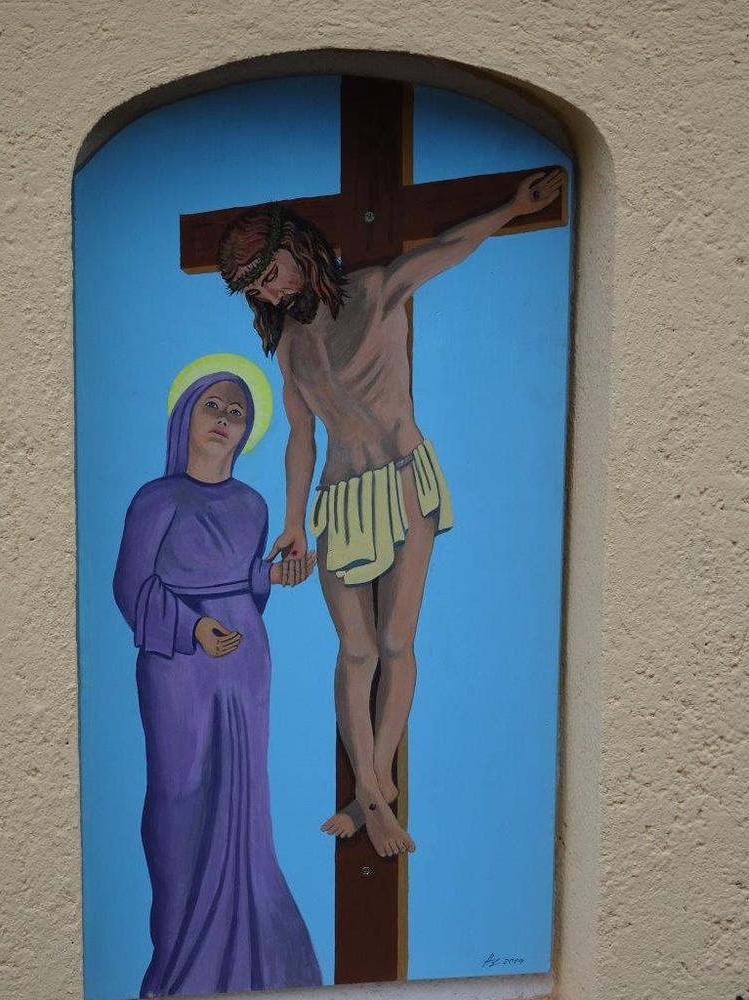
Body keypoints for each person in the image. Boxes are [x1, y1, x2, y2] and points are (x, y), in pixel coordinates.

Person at [216, 169, 564, 859]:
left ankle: (370, 795)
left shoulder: (376, 292)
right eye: (255, 289)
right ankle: (374, 796)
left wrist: (512, 207)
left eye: (271, 274)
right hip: (340, 500)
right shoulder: (289, 346)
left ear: (298, 249)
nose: (270, 293)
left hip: (403, 481)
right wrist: (294, 520)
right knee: (356, 650)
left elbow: (448, 247)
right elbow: (300, 436)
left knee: (396, 643)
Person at [113, 371, 321, 997]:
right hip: (177, 664)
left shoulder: (253, 505)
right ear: (186, 416)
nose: (225, 418)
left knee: (239, 798)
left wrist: (275, 575)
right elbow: (131, 588)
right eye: (213, 405)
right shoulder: (156, 500)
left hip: (243, 662)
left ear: (246, 431)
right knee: (179, 797)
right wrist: (193, 627)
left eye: (237, 411)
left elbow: (240, 580)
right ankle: (177, 957)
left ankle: (243, 963)